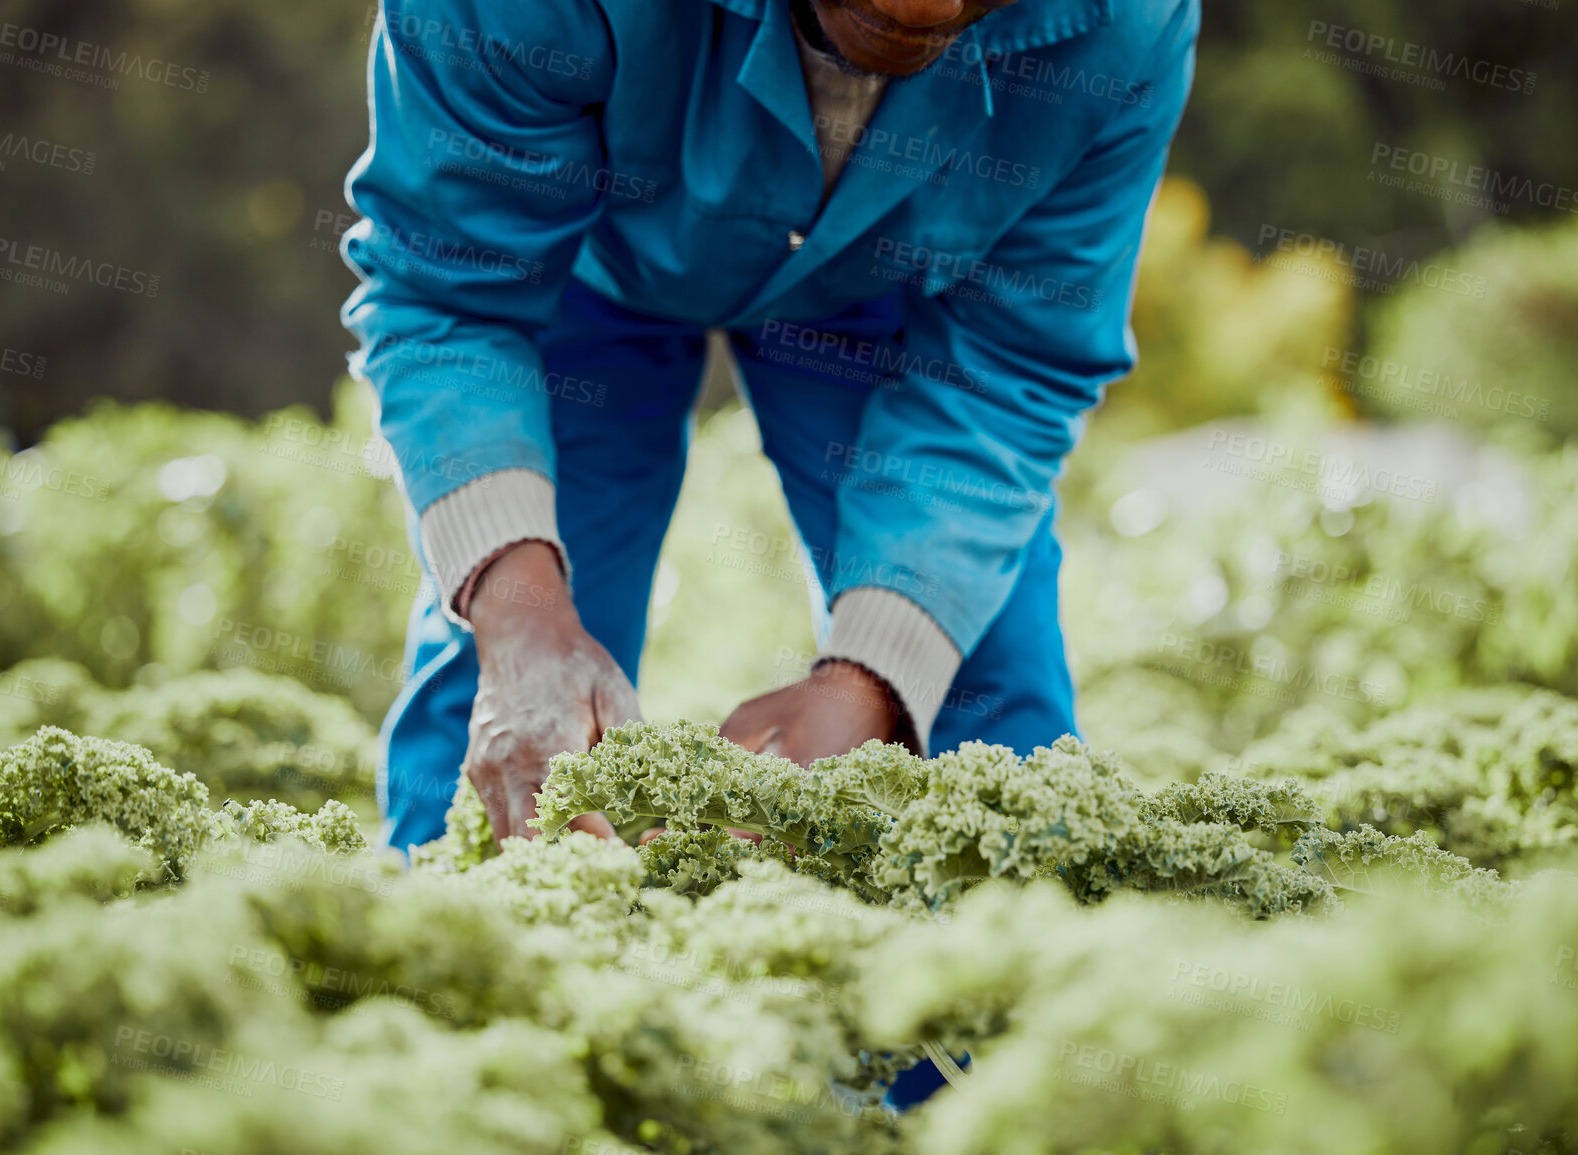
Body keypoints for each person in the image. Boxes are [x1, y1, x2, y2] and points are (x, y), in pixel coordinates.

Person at [342, 0, 1198, 855]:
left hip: (871, 278)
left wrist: (873, 675)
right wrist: (518, 609)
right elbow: (448, 289)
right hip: (576, 258)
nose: (923, 8)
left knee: (978, 713)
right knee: (524, 705)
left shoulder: (1125, 23)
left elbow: (1010, 365)